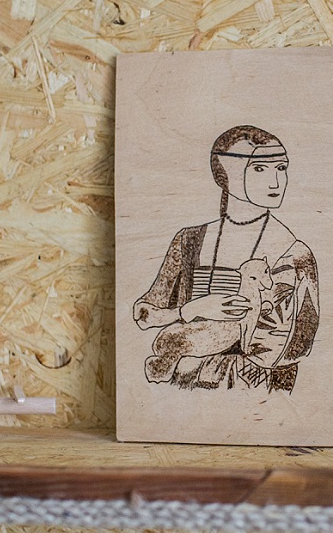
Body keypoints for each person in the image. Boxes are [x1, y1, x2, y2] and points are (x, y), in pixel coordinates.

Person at [134, 125, 319, 391]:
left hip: (256, 392)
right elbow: (145, 314)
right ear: (225, 172)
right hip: (180, 388)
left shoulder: (293, 252)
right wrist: (192, 310)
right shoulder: (189, 240)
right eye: (259, 168)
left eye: (281, 168)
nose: (275, 182)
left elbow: (295, 346)